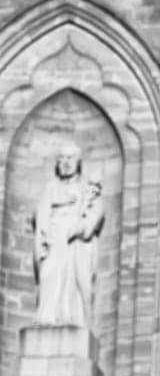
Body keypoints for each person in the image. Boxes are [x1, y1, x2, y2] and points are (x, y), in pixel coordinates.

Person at [32, 141, 105, 328]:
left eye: (70, 158)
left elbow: (96, 211)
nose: (65, 162)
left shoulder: (87, 189)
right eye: (62, 158)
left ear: (78, 161)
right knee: (49, 275)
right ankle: (47, 316)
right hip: (54, 238)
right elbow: (41, 213)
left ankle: (73, 318)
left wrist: (82, 227)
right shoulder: (51, 188)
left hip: (75, 242)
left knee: (75, 281)